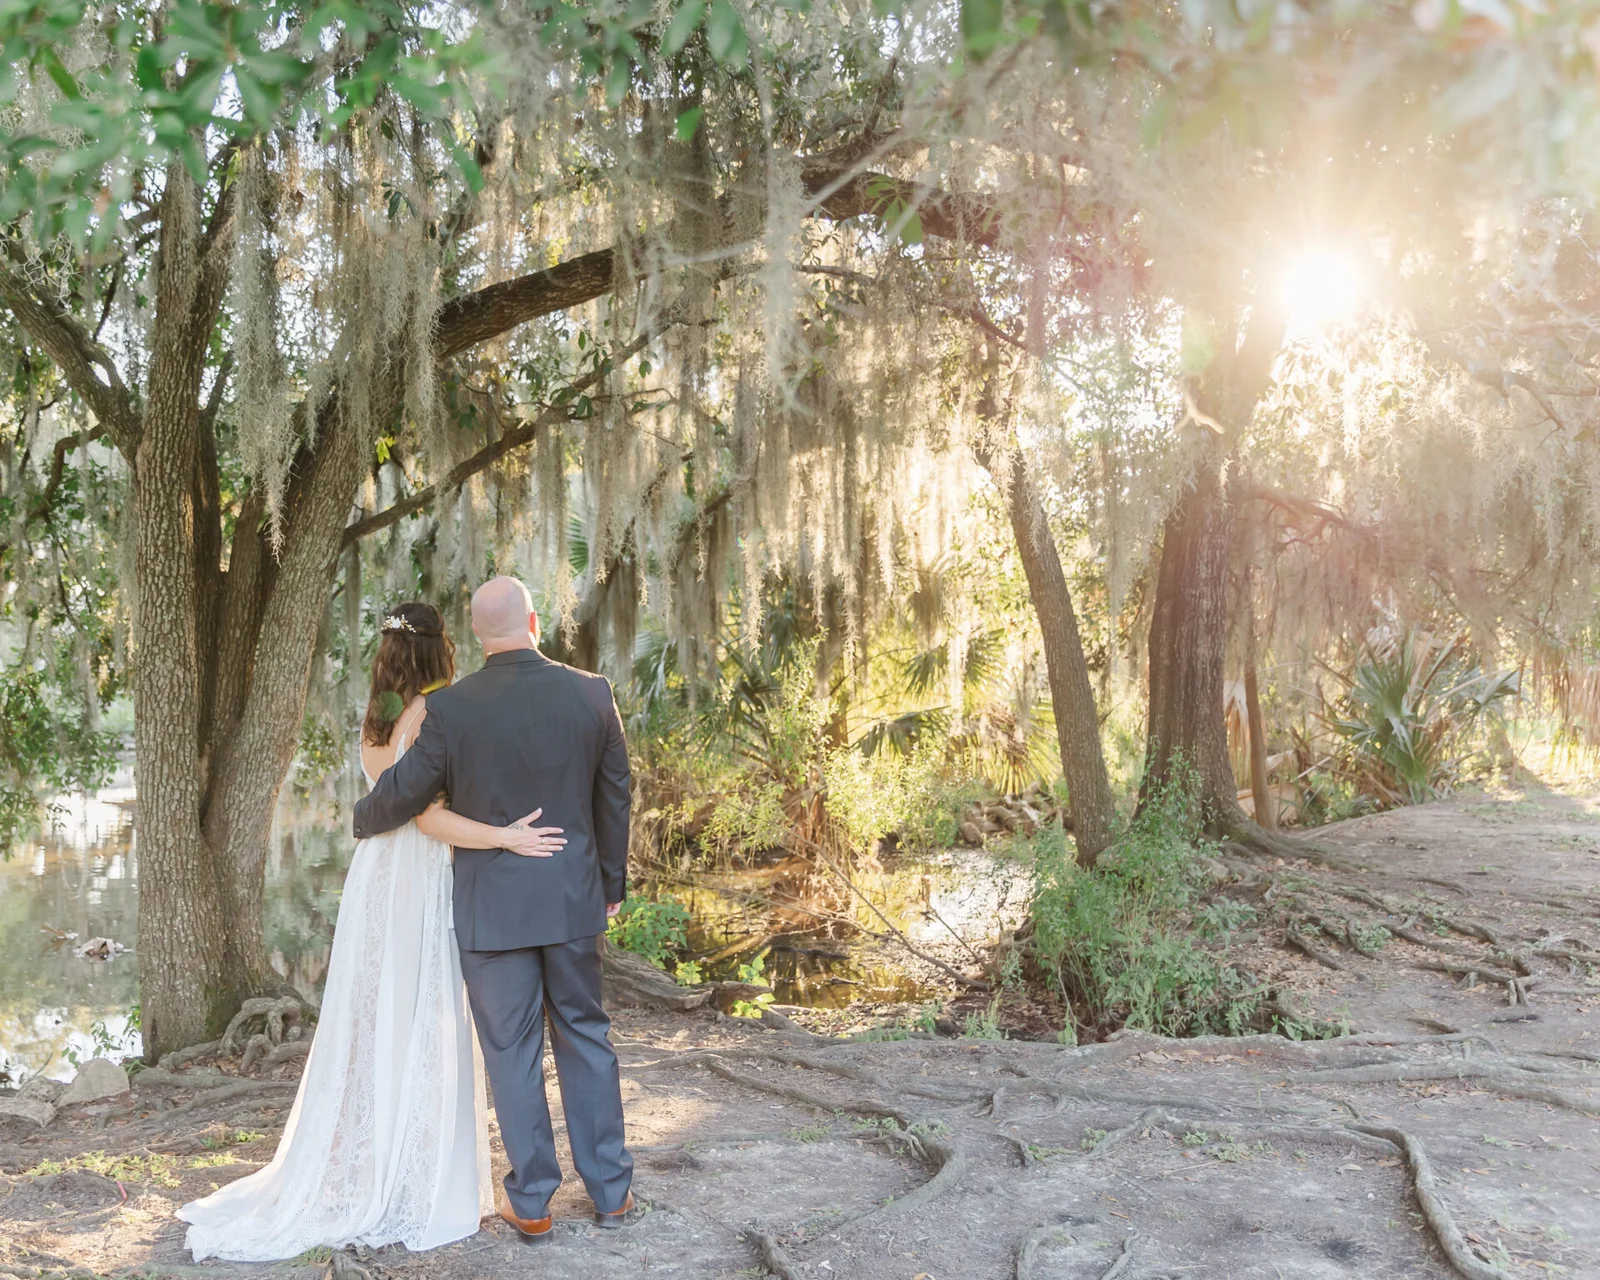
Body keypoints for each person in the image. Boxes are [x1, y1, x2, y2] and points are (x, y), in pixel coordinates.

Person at [179, 601, 565, 1261]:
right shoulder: (434, 714)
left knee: (375, 1017)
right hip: (418, 879)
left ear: (387, 656)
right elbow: (427, 821)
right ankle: (408, 1174)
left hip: (373, 880)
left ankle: (367, 1156)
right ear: (439, 651)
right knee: (422, 1014)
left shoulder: (378, 715)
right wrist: (505, 836)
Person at [353, 576, 635, 1245]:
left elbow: (407, 793)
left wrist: (362, 818)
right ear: (534, 622)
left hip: (492, 911)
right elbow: (615, 794)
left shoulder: (455, 708)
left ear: (478, 635)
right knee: (586, 1039)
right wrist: (611, 884)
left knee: (510, 1051)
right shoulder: (593, 692)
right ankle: (612, 1194)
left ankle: (532, 1201)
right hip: (572, 898)